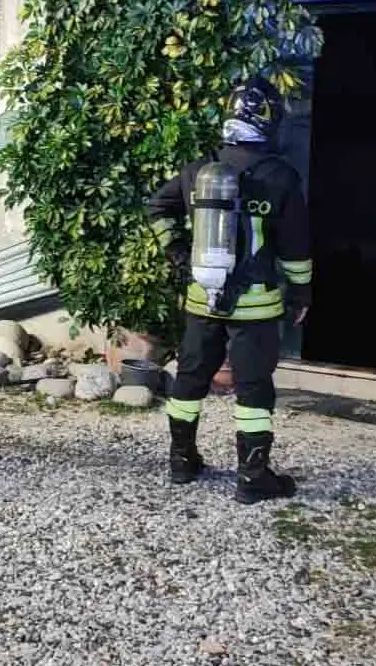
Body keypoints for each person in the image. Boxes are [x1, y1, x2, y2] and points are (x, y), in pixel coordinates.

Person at [148, 75, 312, 504]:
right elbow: (296, 248)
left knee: (190, 378)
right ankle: (253, 478)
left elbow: (157, 207)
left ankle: (182, 462)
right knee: (254, 389)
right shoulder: (281, 178)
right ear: (269, 120)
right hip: (255, 308)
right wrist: (301, 294)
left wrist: (179, 254)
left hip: (203, 298)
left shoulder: (199, 171)